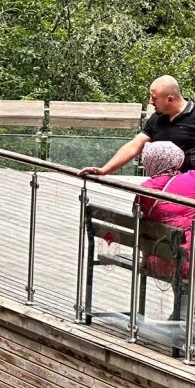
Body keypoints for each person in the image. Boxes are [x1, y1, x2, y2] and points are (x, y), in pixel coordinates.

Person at [80, 77, 195, 177]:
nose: (150, 102)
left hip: (189, 185)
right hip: (161, 185)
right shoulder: (156, 118)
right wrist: (104, 170)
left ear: (170, 99)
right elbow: (134, 146)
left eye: (154, 98)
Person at [134, 141, 195, 318]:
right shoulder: (189, 181)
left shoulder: (146, 189)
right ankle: (182, 318)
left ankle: (179, 315)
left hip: (154, 258)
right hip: (183, 262)